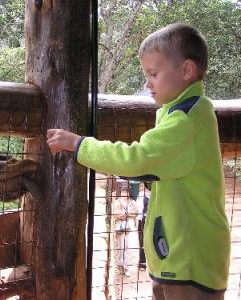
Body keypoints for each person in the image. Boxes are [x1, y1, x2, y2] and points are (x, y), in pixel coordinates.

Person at [46, 23, 230, 300]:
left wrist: (78, 144)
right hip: (179, 256)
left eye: (153, 74)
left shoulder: (186, 119)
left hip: (190, 260)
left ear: (186, 70)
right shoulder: (183, 114)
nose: (147, 83)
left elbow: (136, 159)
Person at [113, 178, 138, 277]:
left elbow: (135, 212)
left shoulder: (132, 202)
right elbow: (116, 215)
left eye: (127, 191)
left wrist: (125, 214)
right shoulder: (117, 202)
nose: (125, 193)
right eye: (124, 191)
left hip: (129, 227)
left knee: (128, 248)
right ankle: (119, 266)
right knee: (120, 248)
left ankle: (126, 267)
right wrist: (127, 214)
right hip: (120, 227)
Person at [136, 182, 150, 271]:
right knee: (142, 241)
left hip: (154, 218)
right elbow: (139, 208)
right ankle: (142, 262)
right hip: (144, 219)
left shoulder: (156, 193)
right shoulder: (142, 194)